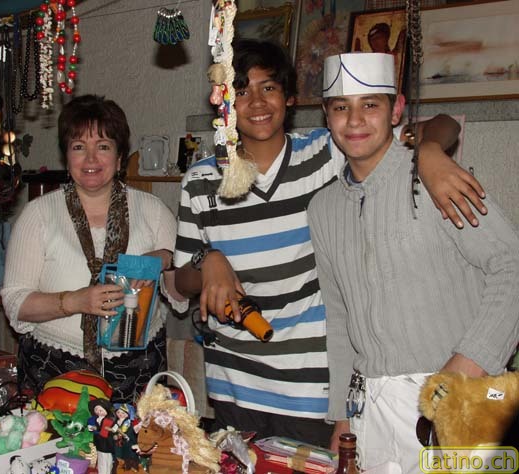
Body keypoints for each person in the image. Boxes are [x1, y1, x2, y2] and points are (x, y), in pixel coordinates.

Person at [173, 39, 486, 447]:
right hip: (235, 387)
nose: (257, 102)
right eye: (242, 91)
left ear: (290, 97)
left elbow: (444, 124)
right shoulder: (200, 181)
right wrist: (208, 260)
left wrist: (428, 151)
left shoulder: (327, 153)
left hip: (315, 390)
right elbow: (180, 281)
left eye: (269, 87)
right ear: (224, 104)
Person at [307, 52, 519, 470]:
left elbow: (511, 264)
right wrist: (342, 415)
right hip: (371, 411)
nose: (355, 120)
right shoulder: (323, 209)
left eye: (370, 105)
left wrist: (466, 365)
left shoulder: (435, 179)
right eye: (341, 107)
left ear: (396, 110)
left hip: (461, 399)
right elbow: (339, 317)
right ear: (327, 117)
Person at [1, 94, 177, 403]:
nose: (91, 159)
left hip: (139, 373)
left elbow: (180, 290)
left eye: (103, 146)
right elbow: (15, 302)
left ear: (119, 158)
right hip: (54, 372)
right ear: (66, 157)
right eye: (79, 147)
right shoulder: (38, 214)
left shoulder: (153, 211)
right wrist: (75, 301)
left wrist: (167, 259)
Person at [88, 398, 115, 474]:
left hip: (107, 442)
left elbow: (106, 430)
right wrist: (93, 428)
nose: (98, 412)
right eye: (96, 410)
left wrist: (97, 429)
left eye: (101, 410)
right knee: (101, 458)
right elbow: (96, 428)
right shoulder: (95, 419)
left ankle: (107, 472)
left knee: (107, 459)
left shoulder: (109, 420)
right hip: (99, 441)